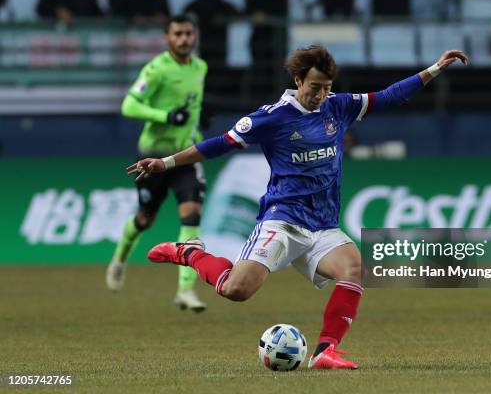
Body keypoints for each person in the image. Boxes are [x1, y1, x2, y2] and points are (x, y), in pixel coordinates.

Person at [128, 45, 468, 368]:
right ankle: (190, 252)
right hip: (283, 221)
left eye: (326, 87)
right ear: (298, 81)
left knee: (353, 269)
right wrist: (166, 163)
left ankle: (325, 351)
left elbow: (390, 96)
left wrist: (435, 68)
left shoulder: (339, 106)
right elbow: (219, 144)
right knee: (237, 290)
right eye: (315, 87)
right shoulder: (272, 118)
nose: (320, 94)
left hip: (322, 225)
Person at [106, 15, 209, 313]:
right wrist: (164, 116)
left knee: (191, 215)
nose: (184, 39)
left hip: (186, 156)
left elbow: (191, 105)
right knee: (144, 219)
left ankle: (185, 290)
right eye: (178, 34)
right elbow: (128, 105)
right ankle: (120, 259)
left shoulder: (200, 67)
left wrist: (198, 120)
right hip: (153, 158)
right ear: (167, 38)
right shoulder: (157, 69)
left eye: (189, 33)